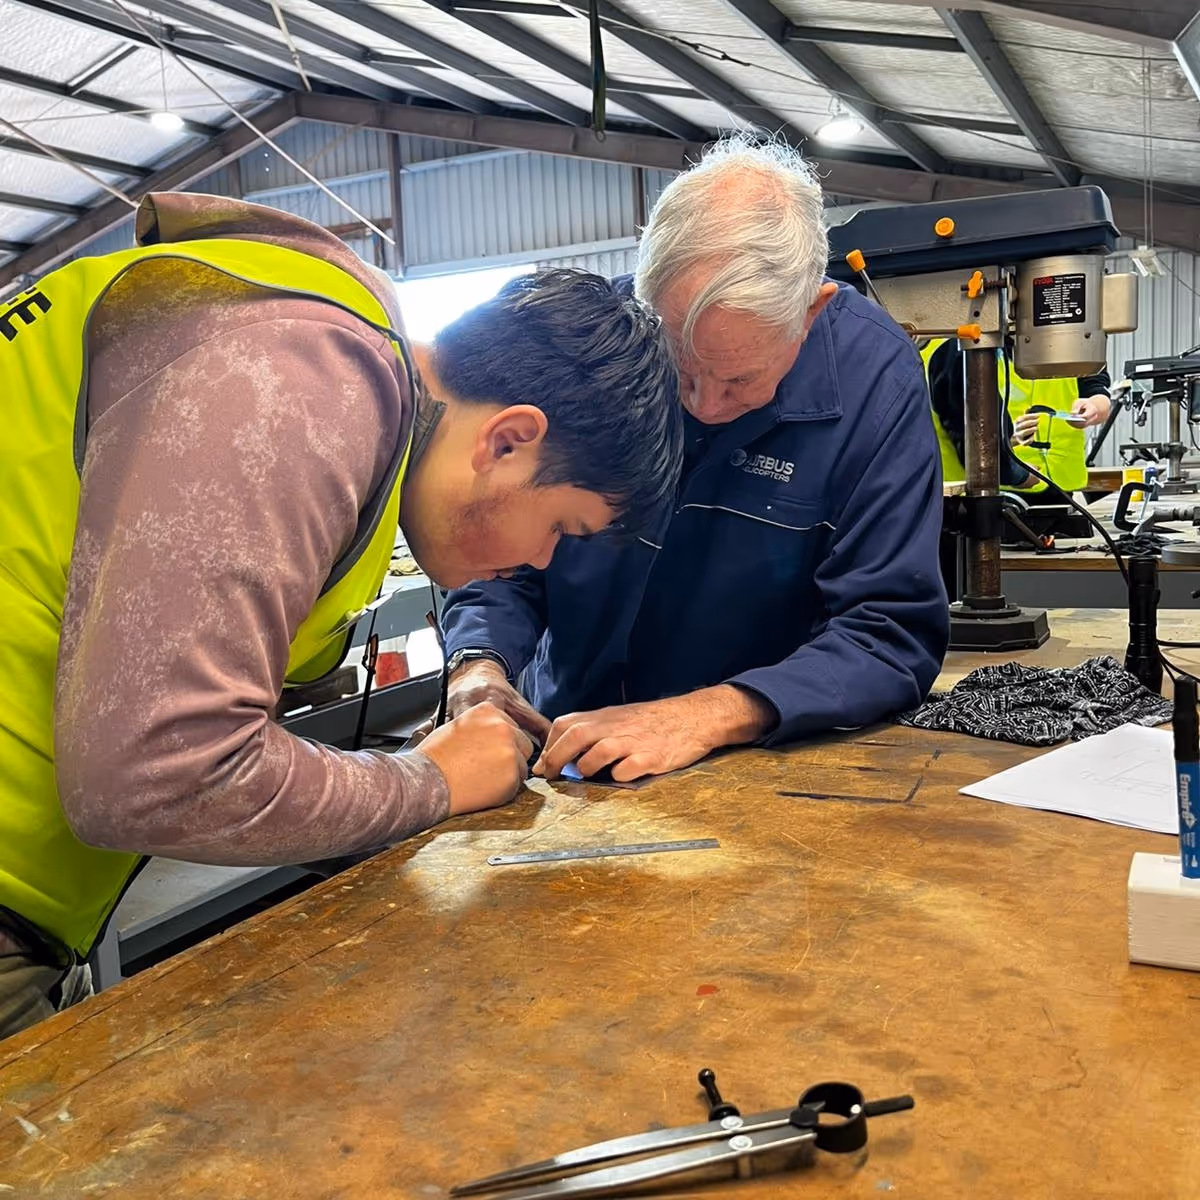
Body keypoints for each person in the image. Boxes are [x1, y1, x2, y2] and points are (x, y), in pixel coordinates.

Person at [0, 192, 680, 1040]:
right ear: (507, 441)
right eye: (562, 527)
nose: (543, 563)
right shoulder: (305, 374)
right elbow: (161, 771)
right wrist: (432, 782)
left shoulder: (318, 364)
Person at [439, 137, 950, 786]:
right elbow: (501, 549)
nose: (704, 406)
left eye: (738, 381)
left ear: (810, 310)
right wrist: (479, 664)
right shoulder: (590, 348)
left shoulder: (871, 382)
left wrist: (704, 717)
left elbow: (887, 631)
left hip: (752, 776)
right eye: (679, 371)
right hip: (560, 755)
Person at [922, 337, 1111, 499]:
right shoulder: (966, 350)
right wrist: (1011, 463)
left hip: (1061, 489)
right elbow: (965, 431)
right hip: (991, 493)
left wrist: (1095, 406)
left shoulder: (1068, 340)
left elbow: (1096, 386)